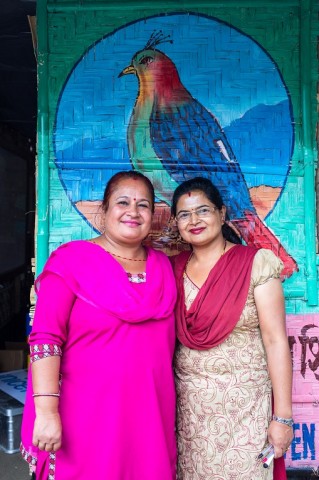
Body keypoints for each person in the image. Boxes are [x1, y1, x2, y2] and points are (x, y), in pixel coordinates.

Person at [20, 170, 177, 480]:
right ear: (103, 211)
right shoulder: (71, 262)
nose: (133, 212)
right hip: (85, 416)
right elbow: (45, 339)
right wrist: (48, 413)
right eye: (122, 202)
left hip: (149, 416)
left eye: (143, 205)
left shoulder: (163, 268)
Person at [170, 177, 293, 480]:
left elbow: (276, 341)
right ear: (175, 222)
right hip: (189, 415)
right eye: (184, 214)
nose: (194, 220)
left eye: (203, 210)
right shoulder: (171, 269)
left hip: (247, 413)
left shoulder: (255, 264)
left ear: (222, 214)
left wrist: (283, 418)